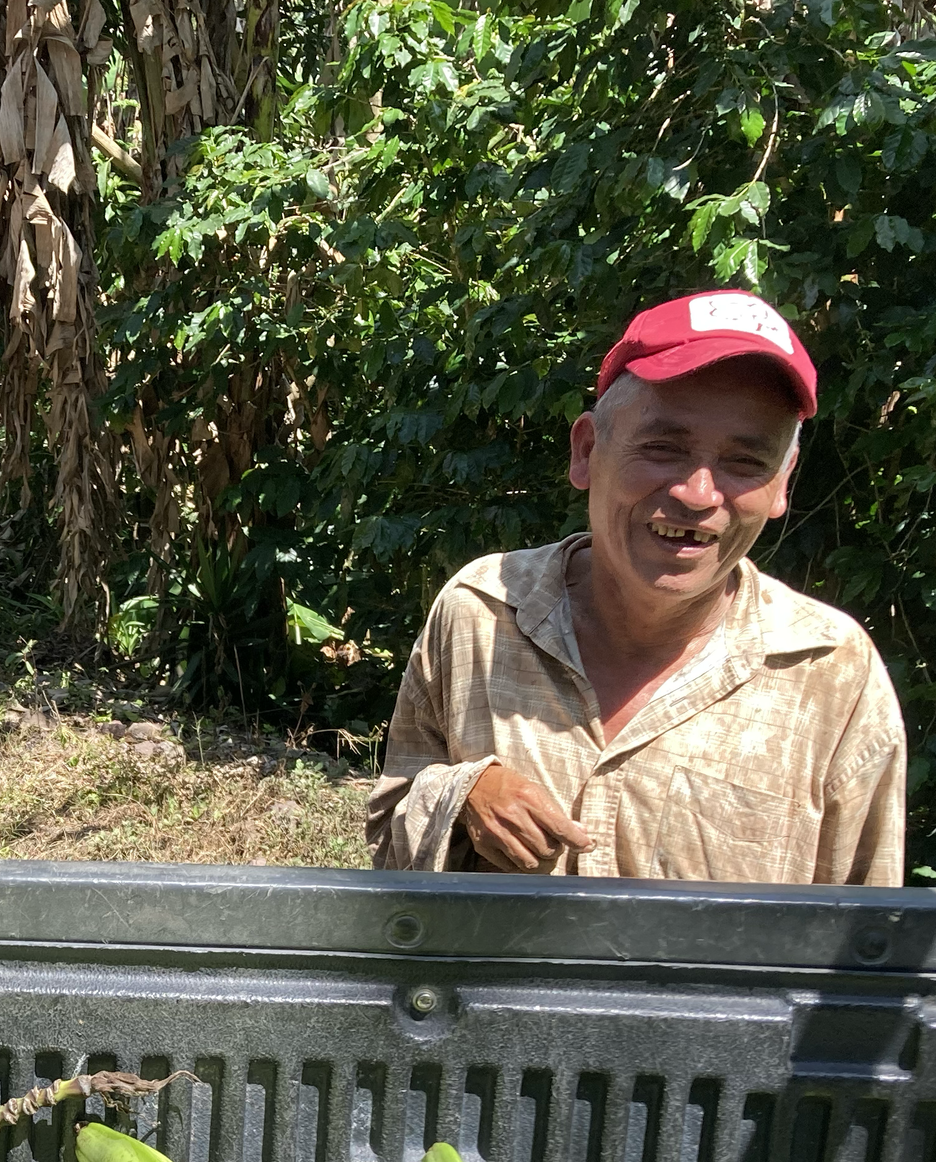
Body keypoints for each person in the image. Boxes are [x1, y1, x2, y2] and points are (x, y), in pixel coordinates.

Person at [366, 290, 905, 885]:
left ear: (782, 485)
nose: (699, 494)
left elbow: (865, 936)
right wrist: (463, 795)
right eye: (662, 449)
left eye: (745, 463)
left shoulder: (831, 671)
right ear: (587, 452)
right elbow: (391, 850)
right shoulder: (482, 610)